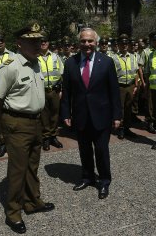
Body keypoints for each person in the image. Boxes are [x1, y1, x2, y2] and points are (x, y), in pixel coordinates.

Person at [0, 23, 55, 234]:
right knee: (17, 170)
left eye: (39, 41)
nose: (37, 44)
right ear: (19, 43)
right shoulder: (10, 67)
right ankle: (13, 212)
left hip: (36, 122)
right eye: (32, 41)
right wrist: (5, 121)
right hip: (17, 123)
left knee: (32, 166)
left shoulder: (36, 63)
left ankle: (33, 202)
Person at [61, 28, 121, 199]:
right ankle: (87, 176)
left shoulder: (107, 62)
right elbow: (67, 92)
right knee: (84, 149)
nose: (86, 44)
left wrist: (117, 115)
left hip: (102, 116)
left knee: (101, 150)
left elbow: (114, 91)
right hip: (80, 116)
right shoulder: (70, 63)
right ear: (78, 43)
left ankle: (104, 180)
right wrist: (66, 113)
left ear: (96, 42)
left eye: (90, 41)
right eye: (83, 41)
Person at [38, 34, 64, 151]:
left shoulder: (55, 57)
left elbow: (62, 74)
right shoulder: (34, 57)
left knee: (55, 114)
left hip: (54, 91)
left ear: (48, 43)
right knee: (44, 116)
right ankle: (46, 138)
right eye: (41, 41)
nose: (43, 43)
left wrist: (61, 90)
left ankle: (53, 136)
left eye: (45, 41)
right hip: (41, 91)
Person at [111, 34, 139, 139]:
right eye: (122, 43)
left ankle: (127, 128)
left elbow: (136, 72)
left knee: (128, 108)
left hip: (130, 86)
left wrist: (136, 85)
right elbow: (112, 75)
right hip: (120, 87)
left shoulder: (133, 57)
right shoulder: (114, 58)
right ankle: (120, 128)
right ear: (118, 45)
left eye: (126, 43)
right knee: (120, 108)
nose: (124, 45)